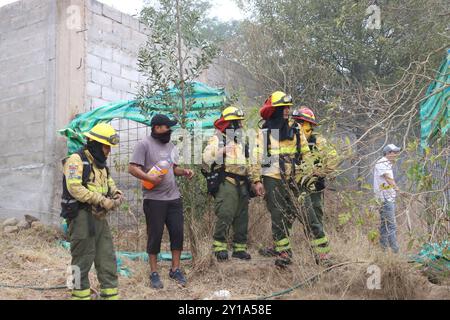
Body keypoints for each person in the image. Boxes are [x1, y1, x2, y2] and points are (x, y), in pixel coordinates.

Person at [128, 114, 194, 289]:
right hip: (154, 199)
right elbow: (132, 168)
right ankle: (154, 272)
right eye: (167, 127)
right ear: (157, 128)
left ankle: (175, 269)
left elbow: (173, 168)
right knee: (155, 235)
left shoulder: (171, 146)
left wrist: (185, 171)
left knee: (177, 232)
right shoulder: (144, 145)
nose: (170, 131)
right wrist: (148, 177)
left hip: (174, 198)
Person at [62, 123, 124, 300]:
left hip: (99, 217)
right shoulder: (76, 160)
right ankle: (79, 295)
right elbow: (74, 188)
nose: (108, 151)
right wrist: (102, 200)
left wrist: (116, 193)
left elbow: (109, 182)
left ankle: (110, 294)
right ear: (96, 144)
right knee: (81, 257)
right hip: (81, 216)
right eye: (106, 147)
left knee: (107, 256)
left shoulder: (100, 164)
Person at [251, 91, 311, 267]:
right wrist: (256, 180)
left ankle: (283, 246)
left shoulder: (295, 129)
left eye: (288, 107)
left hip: (294, 178)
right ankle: (284, 253)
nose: (287, 111)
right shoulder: (264, 132)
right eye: (283, 108)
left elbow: (306, 153)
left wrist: (309, 173)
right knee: (278, 215)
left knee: (293, 212)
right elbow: (256, 158)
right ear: (275, 111)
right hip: (272, 177)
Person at [203, 106, 254, 261]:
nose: (241, 126)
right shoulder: (217, 139)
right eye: (238, 123)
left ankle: (239, 248)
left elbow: (248, 163)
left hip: (242, 183)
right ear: (229, 124)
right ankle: (220, 247)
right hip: (227, 181)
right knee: (226, 213)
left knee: (242, 216)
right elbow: (206, 160)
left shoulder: (241, 143)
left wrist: (253, 181)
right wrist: (222, 151)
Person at [292, 107, 338, 265]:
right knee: (286, 216)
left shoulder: (317, 140)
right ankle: (282, 251)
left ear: (309, 125)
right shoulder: (290, 139)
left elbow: (332, 158)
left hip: (313, 187)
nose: (297, 126)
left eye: (300, 123)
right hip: (294, 186)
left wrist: (319, 174)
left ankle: (321, 256)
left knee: (315, 218)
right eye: (296, 122)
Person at [373, 144, 401, 253]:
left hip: (387, 198)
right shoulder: (382, 163)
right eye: (394, 152)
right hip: (385, 199)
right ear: (388, 153)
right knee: (391, 225)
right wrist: (398, 189)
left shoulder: (387, 163)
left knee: (385, 225)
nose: (396, 155)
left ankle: (383, 251)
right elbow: (388, 178)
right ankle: (395, 251)